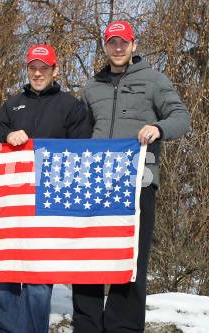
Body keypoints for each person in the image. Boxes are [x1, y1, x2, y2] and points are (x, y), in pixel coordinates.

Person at [72, 20, 190, 333]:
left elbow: (181, 117)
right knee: (88, 259)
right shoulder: (92, 86)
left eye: (124, 42)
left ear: (133, 45)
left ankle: (122, 327)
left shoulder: (153, 80)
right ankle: (86, 325)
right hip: (94, 185)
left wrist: (159, 128)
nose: (119, 47)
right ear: (106, 46)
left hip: (137, 183)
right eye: (113, 42)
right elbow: (79, 133)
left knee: (131, 260)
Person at [0, 44, 91, 333]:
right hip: (11, 203)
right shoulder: (12, 103)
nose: (37, 72)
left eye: (43, 68)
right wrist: (7, 134)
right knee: (6, 275)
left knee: (38, 281)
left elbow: (80, 151)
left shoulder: (71, 105)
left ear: (55, 70)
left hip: (48, 206)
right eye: (33, 67)